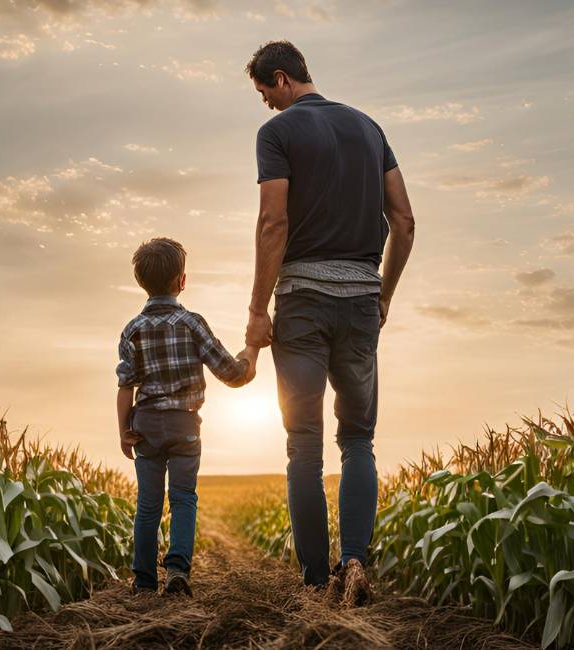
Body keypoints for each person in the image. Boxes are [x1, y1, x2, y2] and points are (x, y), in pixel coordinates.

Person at [243, 41, 416, 604]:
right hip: (363, 298)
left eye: (265, 93)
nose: (267, 105)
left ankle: (317, 581)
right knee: (359, 439)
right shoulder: (370, 128)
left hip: (302, 302)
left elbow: (274, 222)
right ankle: (357, 560)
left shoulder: (279, 133)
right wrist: (383, 294)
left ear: (281, 78)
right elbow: (405, 220)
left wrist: (255, 311)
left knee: (303, 444)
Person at [116, 237, 258, 596]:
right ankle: (178, 570)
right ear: (182, 280)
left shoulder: (132, 329)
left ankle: (144, 580)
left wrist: (123, 431)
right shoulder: (192, 324)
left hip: (145, 425)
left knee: (147, 505)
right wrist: (250, 354)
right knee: (182, 498)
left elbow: (125, 386)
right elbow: (231, 373)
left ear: (141, 282)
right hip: (184, 424)